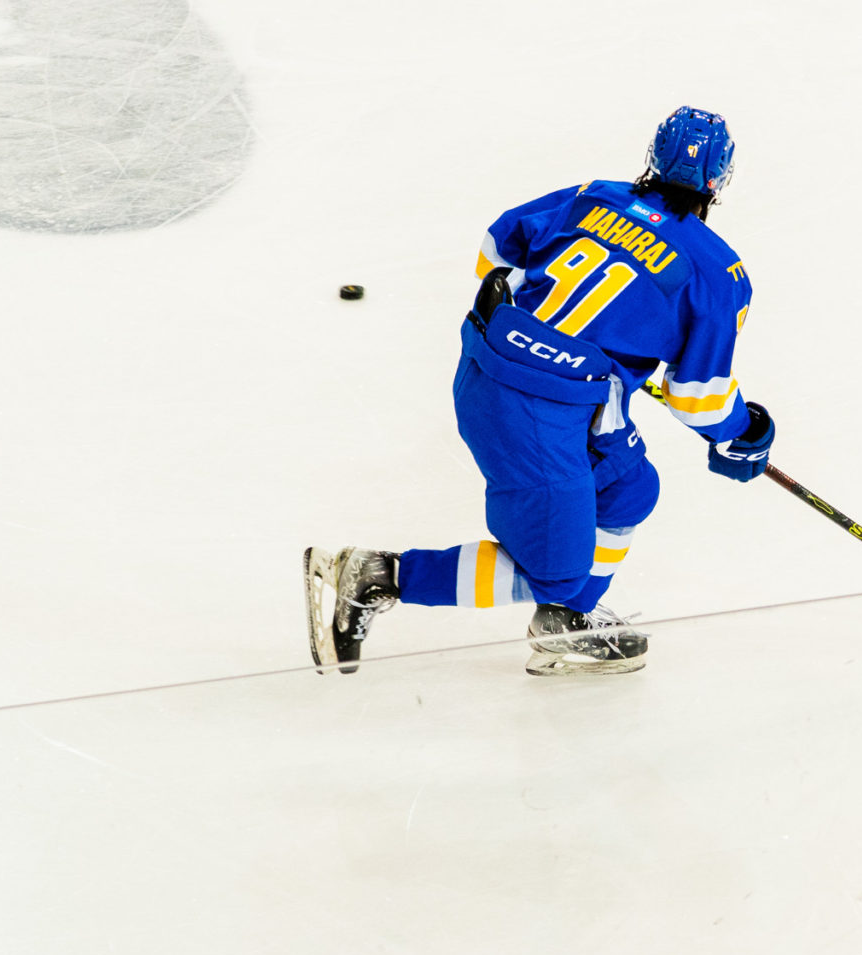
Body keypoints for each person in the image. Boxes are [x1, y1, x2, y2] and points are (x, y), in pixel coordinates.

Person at [308, 107, 777, 676]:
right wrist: (742, 434)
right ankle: (380, 576)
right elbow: (698, 397)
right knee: (554, 573)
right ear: (719, 180)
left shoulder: (591, 196)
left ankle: (566, 625)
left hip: (496, 365)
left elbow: (494, 254)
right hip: (537, 411)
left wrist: (571, 332)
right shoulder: (719, 273)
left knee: (629, 489)